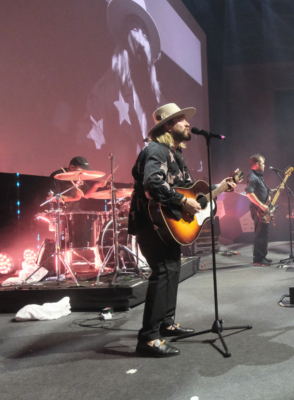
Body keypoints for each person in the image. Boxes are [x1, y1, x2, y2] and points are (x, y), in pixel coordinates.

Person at [128, 103, 236, 357]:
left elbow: (191, 193)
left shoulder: (175, 154)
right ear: (168, 125)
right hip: (153, 223)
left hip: (169, 225)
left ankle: (166, 324)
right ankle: (148, 338)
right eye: (182, 120)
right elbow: (153, 183)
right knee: (163, 272)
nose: (189, 124)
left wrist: (218, 188)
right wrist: (180, 201)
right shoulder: (155, 149)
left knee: (172, 270)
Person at [80, 0, 164, 163]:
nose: (141, 40)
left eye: (145, 35)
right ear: (124, 38)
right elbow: (90, 141)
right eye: (135, 29)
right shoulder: (105, 89)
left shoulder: (159, 101)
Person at [246, 154, 275, 266]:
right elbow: (249, 193)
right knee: (259, 234)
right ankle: (257, 259)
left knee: (264, 233)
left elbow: (262, 191)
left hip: (263, 210)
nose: (264, 165)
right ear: (257, 164)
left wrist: (274, 190)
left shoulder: (259, 177)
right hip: (258, 210)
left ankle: (263, 256)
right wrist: (262, 206)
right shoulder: (252, 176)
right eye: (263, 163)